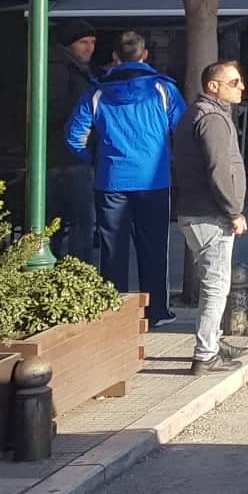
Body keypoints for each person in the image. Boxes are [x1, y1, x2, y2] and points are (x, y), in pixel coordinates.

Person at [67, 32, 185, 325]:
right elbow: (182, 130)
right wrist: (170, 159)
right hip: (154, 179)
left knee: (112, 250)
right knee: (154, 246)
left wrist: (96, 160)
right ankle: (156, 311)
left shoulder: (96, 92)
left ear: (115, 57)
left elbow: (74, 137)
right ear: (145, 55)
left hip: (110, 179)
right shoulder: (163, 89)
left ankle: (115, 315)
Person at [173, 61, 248, 375]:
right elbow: (218, 170)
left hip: (197, 210)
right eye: (234, 82)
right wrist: (233, 211)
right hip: (209, 213)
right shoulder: (212, 119)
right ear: (213, 86)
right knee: (216, 286)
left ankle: (214, 342)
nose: (241, 87)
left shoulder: (197, 113)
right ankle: (205, 354)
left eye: (240, 81)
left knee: (214, 282)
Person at [47, 20, 99, 264]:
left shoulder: (74, 69)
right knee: (79, 222)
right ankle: (77, 272)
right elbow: (52, 110)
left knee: (57, 224)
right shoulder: (61, 70)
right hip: (68, 156)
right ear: (69, 44)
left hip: (64, 156)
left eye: (92, 42)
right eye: (83, 42)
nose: (89, 48)